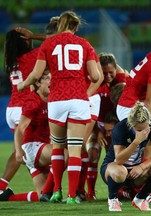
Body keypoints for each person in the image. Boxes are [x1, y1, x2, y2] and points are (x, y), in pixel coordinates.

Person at [17, 11, 101, 204]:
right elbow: (96, 77)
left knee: (57, 148)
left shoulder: (48, 44)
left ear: (59, 25)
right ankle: (72, 196)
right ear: (76, 27)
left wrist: (22, 85)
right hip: (78, 99)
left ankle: (56, 191)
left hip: (57, 100)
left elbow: (36, 74)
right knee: (74, 150)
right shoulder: (85, 44)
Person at [0, 71, 67, 202]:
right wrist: (19, 151)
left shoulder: (53, 98)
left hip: (41, 149)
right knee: (64, 154)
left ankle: (7, 198)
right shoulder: (33, 101)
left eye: (51, 78)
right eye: (47, 79)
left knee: (41, 195)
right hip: (32, 147)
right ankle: (50, 191)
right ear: (37, 82)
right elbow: (20, 128)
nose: (51, 81)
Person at [100, 102, 151, 211]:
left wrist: (142, 166)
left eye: (145, 128)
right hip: (114, 170)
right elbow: (119, 159)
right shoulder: (121, 128)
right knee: (121, 171)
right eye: (138, 130)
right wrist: (136, 141)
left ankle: (140, 199)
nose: (143, 132)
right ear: (131, 124)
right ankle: (113, 199)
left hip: (135, 171)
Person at [80, 52, 126, 200]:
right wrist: (98, 131)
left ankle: (119, 189)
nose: (107, 76)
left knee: (114, 157)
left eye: (110, 72)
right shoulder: (93, 83)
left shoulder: (122, 80)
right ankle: (90, 192)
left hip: (115, 126)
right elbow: (88, 109)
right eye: (103, 72)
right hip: (95, 124)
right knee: (92, 153)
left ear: (116, 70)